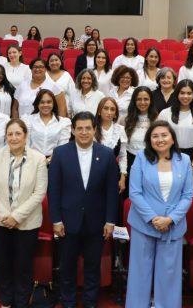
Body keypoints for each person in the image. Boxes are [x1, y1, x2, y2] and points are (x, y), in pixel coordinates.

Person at [48, 112, 119, 308]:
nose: (84, 132)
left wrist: (110, 221)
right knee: (67, 267)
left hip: (97, 223)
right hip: (67, 222)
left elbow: (112, 192)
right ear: (72, 130)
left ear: (94, 129)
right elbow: (53, 190)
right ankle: (68, 302)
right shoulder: (60, 153)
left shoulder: (106, 154)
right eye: (79, 128)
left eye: (88, 128)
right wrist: (56, 220)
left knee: (92, 268)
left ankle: (90, 302)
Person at [125, 120, 193, 308]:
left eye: (164, 135)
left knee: (169, 273)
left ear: (172, 139)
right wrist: (153, 218)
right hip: (144, 224)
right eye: (155, 136)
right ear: (149, 140)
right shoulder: (141, 157)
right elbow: (135, 192)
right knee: (140, 272)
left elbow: (188, 195)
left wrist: (170, 219)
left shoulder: (185, 160)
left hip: (173, 226)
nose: (160, 139)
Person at [0, 118, 48, 308]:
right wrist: (6, 216)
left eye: (18, 133)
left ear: (26, 136)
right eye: (10, 134)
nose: (14, 138)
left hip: (27, 223)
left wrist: (17, 216)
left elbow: (39, 193)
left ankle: (21, 302)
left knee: (23, 265)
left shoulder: (38, 159)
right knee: (4, 264)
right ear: (5, 137)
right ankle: (6, 301)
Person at [158, 80, 193, 187]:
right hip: (168, 155)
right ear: (176, 94)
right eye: (182, 93)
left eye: (189, 93)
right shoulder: (165, 113)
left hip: (191, 156)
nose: (185, 96)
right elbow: (159, 139)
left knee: (187, 192)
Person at [124, 87, 158, 197]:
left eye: (146, 99)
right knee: (132, 194)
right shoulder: (125, 119)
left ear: (151, 100)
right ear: (134, 101)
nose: (142, 102)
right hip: (131, 160)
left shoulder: (158, 119)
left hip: (152, 160)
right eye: (139, 99)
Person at [22, 88, 72, 164]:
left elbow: (62, 147)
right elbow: (26, 144)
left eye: (49, 102)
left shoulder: (63, 123)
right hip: (32, 162)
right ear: (37, 104)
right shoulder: (28, 120)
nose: (45, 105)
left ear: (53, 103)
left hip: (55, 162)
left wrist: (48, 161)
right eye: (42, 102)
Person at [94, 97, 128, 194]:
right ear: (99, 111)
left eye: (112, 109)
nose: (109, 112)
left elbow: (122, 155)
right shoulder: (92, 129)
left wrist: (122, 178)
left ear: (115, 114)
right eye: (106, 108)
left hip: (113, 173)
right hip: (93, 174)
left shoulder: (120, 130)